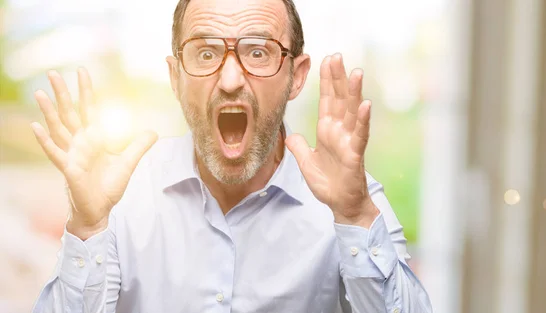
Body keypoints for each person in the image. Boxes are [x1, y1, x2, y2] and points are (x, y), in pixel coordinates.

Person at [30, 0, 432, 312]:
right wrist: (88, 226)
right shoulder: (123, 197)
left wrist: (356, 217)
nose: (230, 80)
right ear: (175, 77)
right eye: (205, 53)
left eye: (258, 52)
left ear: (297, 75)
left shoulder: (351, 201)